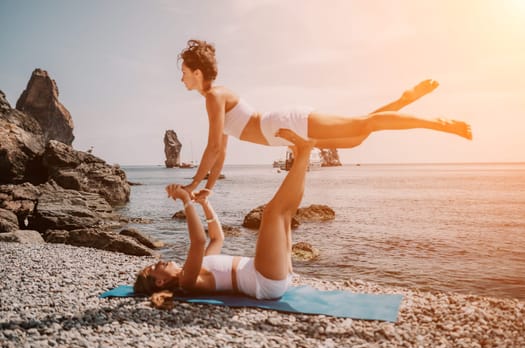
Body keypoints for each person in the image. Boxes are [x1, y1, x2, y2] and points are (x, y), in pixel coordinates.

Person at [178, 39, 472, 197]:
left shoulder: (215, 97)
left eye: (184, 72)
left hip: (288, 123)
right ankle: (403, 100)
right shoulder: (214, 98)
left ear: (197, 72)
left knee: (364, 125)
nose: (182, 79)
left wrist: (192, 185)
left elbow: (213, 148)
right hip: (285, 130)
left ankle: (438, 123)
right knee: (357, 136)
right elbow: (222, 152)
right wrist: (208, 188)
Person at [135, 129, 315, 306]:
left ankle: (302, 156)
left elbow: (216, 238)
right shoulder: (187, 280)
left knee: (285, 213)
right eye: (153, 269)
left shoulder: (198, 267)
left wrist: (205, 204)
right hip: (264, 280)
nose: (158, 263)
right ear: (160, 282)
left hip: (270, 275)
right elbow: (198, 241)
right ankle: (305, 151)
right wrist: (185, 201)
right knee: (271, 213)